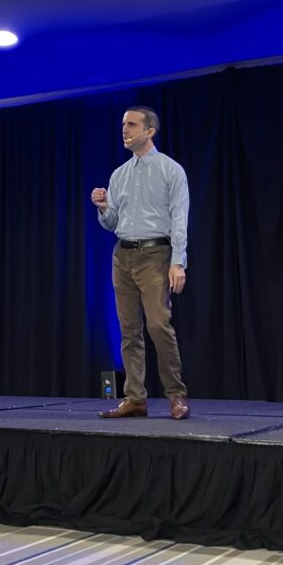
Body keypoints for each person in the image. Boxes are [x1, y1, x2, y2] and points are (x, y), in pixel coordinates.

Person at [91, 106, 190, 419]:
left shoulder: (170, 170)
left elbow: (179, 218)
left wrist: (178, 262)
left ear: (149, 131)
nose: (125, 129)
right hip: (123, 255)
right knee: (129, 330)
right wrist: (103, 208)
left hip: (155, 255)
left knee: (159, 325)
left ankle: (176, 395)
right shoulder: (119, 174)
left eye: (132, 124)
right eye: (123, 124)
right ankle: (135, 398)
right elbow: (112, 223)